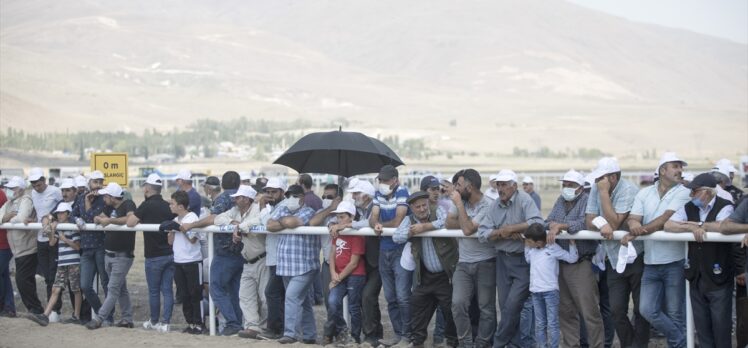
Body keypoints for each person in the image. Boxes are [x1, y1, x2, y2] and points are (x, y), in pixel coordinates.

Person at [622, 153, 691, 348]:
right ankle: (681, 341)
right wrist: (634, 225)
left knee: (676, 313)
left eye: (681, 167)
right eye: (675, 166)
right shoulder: (644, 193)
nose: (680, 171)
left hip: (674, 261)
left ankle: (678, 344)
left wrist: (637, 232)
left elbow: (664, 220)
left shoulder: (683, 192)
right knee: (646, 309)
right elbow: (633, 217)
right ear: (663, 170)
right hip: (651, 262)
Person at [664, 173, 735, 347]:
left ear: (706, 192)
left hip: (719, 277)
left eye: (694, 191)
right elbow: (668, 225)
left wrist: (701, 226)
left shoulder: (725, 206)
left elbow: (723, 226)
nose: (691, 195)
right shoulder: (689, 207)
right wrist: (692, 226)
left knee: (721, 329)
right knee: (702, 330)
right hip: (696, 276)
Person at [584, 157, 648, 348]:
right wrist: (601, 224)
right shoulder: (597, 188)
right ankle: (630, 345)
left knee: (640, 309)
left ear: (612, 177)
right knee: (616, 309)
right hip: (613, 257)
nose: (597, 183)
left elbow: (615, 223)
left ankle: (639, 345)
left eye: (600, 179)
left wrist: (603, 194)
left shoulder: (627, 190)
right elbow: (589, 219)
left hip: (636, 256)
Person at [477, 169, 544, 348]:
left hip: (522, 260)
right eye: (498, 184)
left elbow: (538, 223)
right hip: (502, 260)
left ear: (514, 186)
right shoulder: (494, 205)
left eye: (504, 184)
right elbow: (482, 233)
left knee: (512, 305)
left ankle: (498, 343)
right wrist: (501, 232)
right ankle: (514, 345)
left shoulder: (524, 200)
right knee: (507, 305)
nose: (500, 188)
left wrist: (514, 229)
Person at [543, 169, 604, 348]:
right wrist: (555, 225)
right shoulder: (560, 201)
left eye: (570, 185)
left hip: (582, 263)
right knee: (566, 310)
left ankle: (597, 345)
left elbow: (586, 223)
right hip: (561, 262)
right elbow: (548, 221)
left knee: (589, 311)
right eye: (564, 184)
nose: (566, 188)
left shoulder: (588, 201)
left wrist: (563, 225)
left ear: (580, 188)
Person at [180, 171, 242, 336]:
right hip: (240, 252)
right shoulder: (240, 197)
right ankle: (238, 322)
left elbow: (212, 218)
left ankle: (233, 322)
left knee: (216, 289)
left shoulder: (223, 199)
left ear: (223, 184)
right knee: (234, 291)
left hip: (224, 252)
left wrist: (192, 225)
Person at [393, 191, 457, 348]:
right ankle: (418, 342)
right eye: (418, 207)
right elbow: (397, 237)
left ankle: (452, 342)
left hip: (446, 275)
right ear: (412, 208)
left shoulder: (437, 210)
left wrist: (425, 227)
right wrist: (411, 230)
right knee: (417, 307)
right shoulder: (409, 219)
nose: (422, 209)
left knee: (451, 310)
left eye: (424, 205)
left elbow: (445, 222)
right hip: (425, 275)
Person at [446, 169, 496, 348]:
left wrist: (460, 208)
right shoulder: (462, 200)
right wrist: (466, 219)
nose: (455, 189)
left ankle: (482, 344)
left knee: (486, 308)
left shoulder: (489, 205)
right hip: (464, 262)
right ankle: (466, 344)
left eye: (458, 185)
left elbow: (466, 230)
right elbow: (448, 223)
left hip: (486, 261)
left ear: (470, 186)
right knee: (458, 303)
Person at [266, 184, 319, 345]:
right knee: (302, 301)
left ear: (302, 197)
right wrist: (285, 222)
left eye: (294, 196)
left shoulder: (309, 211)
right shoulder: (283, 210)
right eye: (288, 196)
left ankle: (290, 334)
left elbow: (293, 221)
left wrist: (282, 222)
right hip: (286, 265)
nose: (290, 199)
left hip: (305, 265)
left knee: (292, 297)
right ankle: (310, 335)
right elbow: (270, 224)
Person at [213, 185, 267, 339]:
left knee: (264, 297)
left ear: (247, 199)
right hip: (247, 259)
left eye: (238, 197)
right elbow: (218, 218)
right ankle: (252, 327)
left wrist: (242, 227)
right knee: (245, 296)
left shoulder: (258, 209)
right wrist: (235, 224)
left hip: (261, 257)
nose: (235, 200)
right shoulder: (235, 211)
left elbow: (262, 220)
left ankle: (264, 328)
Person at [126, 174, 175, 332]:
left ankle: (154, 321)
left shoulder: (146, 205)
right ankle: (166, 323)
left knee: (154, 291)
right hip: (170, 253)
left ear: (147, 188)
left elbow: (130, 222)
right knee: (167, 290)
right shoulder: (168, 206)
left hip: (153, 256)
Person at [86, 182, 137, 329]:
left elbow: (130, 219)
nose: (103, 198)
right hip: (110, 255)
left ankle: (99, 318)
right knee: (120, 289)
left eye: (106, 196)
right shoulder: (109, 208)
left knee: (113, 288)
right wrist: (98, 217)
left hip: (122, 256)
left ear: (113, 197)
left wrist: (109, 220)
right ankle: (127, 319)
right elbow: (98, 217)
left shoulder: (128, 204)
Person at [370, 164, 411, 347]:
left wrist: (380, 225)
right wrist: (376, 224)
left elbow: (399, 220)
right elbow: (373, 218)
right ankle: (399, 334)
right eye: (381, 180)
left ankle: (408, 336)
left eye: (385, 180)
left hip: (400, 250)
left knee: (402, 296)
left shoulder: (403, 191)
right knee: (391, 297)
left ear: (395, 180)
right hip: (385, 250)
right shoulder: (378, 194)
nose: (382, 183)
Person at [524, 223, 578, 348]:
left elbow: (572, 258)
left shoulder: (553, 248)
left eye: (528, 241)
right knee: (540, 323)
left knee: (552, 323)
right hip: (535, 291)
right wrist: (526, 247)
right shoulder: (531, 250)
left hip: (550, 292)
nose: (526, 243)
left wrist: (572, 243)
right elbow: (528, 259)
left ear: (538, 242)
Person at [28, 202, 83, 326]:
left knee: (75, 289)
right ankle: (45, 315)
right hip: (62, 262)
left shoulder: (72, 227)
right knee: (56, 289)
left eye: (62, 213)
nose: (59, 215)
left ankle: (76, 316)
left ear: (68, 214)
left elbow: (78, 246)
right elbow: (52, 243)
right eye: (58, 213)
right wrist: (52, 232)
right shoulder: (59, 227)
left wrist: (64, 239)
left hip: (73, 262)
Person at [346, 180, 384, 346]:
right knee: (368, 298)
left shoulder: (377, 209)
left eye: (356, 193)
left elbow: (371, 224)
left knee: (367, 297)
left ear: (366, 196)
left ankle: (370, 335)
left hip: (377, 262)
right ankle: (375, 333)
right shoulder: (358, 210)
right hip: (365, 262)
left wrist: (351, 224)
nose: (353, 196)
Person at [324, 201, 366, 345]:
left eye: (342, 217)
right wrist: (332, 273)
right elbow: (332, 254)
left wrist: (336, 279)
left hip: (355, 275)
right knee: (333, 302)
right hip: (339, 275)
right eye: (338, 217)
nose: (339, 220)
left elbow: (354, 263)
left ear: (351, 217)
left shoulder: (357, 234)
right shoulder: (337, 232)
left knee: (353, 307)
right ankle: (344, 332)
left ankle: (355, 337)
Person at [164, 190, 204, 334]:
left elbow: (193, 239)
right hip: (178, 261)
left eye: (172, 204)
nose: (170, 206)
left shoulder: (192, 217)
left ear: (181, 206)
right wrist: (170, 230)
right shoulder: (175, 219)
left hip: (193, 261)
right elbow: (170, 242)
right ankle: (190, 323)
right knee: (184, 294)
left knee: (195, 294)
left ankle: (199, 324)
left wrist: (180, 228)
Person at [1, 177, 41, 315]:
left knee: (22, 280)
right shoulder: (8, 203)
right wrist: (7, 217)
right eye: (9, 188)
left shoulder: (26, 200)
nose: (10, 191)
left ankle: (36, 309)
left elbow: (21, 217)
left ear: (21, 189)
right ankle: (35, 310)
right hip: (18, 249)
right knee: (25, 280)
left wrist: (7, 218)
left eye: (13, 188)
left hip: (28, 247)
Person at [28, 167, 63, 322]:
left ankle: (55, 311)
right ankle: (50, 311)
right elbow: (37, 211)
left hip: (54, 239)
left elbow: (62, 209)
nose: (37, 187)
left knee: (53, 276)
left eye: (38, 183)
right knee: (46, 277)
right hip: (40, 240)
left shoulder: (56, 191)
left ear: (44, 180)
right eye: (34, 184)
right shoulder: (33, 194)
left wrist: (52, 220)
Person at [257, 177, 288, 340]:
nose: (270, 195)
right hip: (274, 256)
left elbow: (267, 224)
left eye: (274, 192)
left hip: (281, 257)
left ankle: (275, 329)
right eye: (267, 192)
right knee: (278, 294)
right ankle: (280, 329)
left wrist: (262, 206)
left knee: (272, 292)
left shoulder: (283, 207)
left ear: (282, 192)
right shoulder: (274, 207)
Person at [77, 171, 110, 325]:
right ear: (89, 183)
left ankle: (108, 317)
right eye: (95, 182)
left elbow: (92, 219)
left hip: (100, 246)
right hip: (86, 247)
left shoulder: (104, 200)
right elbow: (72, 215)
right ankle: (101, 314)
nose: (98, 185)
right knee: (84, 285)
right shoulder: (80, 197)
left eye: (100, 182)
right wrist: (77, 218)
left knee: (106, 283)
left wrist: (88, 205)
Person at [309, 184, 344, 312]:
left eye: (330, 197)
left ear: (339, 198)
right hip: (328, 263)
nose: (325, 198)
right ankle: (335, 329)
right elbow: (312, 222)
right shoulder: (322, 212)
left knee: (349, 302)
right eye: (324, 196)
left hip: (347, 263)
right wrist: (330, 208)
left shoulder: (346, 212)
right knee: (329, 301)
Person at [0, 187, 14, 318]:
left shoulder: (1, 195)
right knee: (4, 276)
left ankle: (6, 306)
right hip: (4, 242)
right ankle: (9, 307)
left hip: (3, 243)